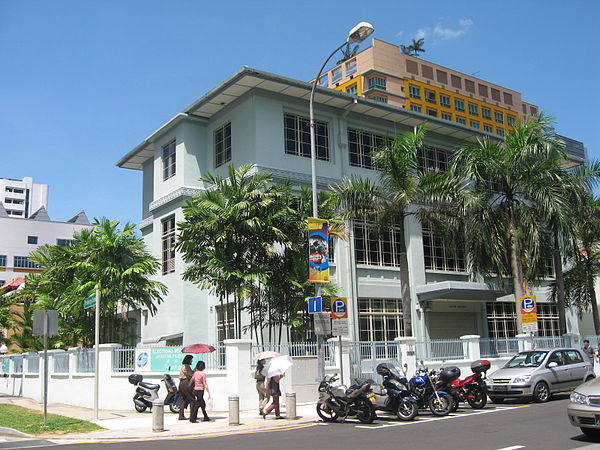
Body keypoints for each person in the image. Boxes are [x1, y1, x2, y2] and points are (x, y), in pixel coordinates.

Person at [177, 354, 194, 420]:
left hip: (181, 383)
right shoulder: (186, 366)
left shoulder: (183, 366)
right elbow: (190, 374)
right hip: (185, 383)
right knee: (192, 399)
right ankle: (192, 415)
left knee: (182, 399)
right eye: (191, 359)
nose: (192, 361)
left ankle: (181, 415)